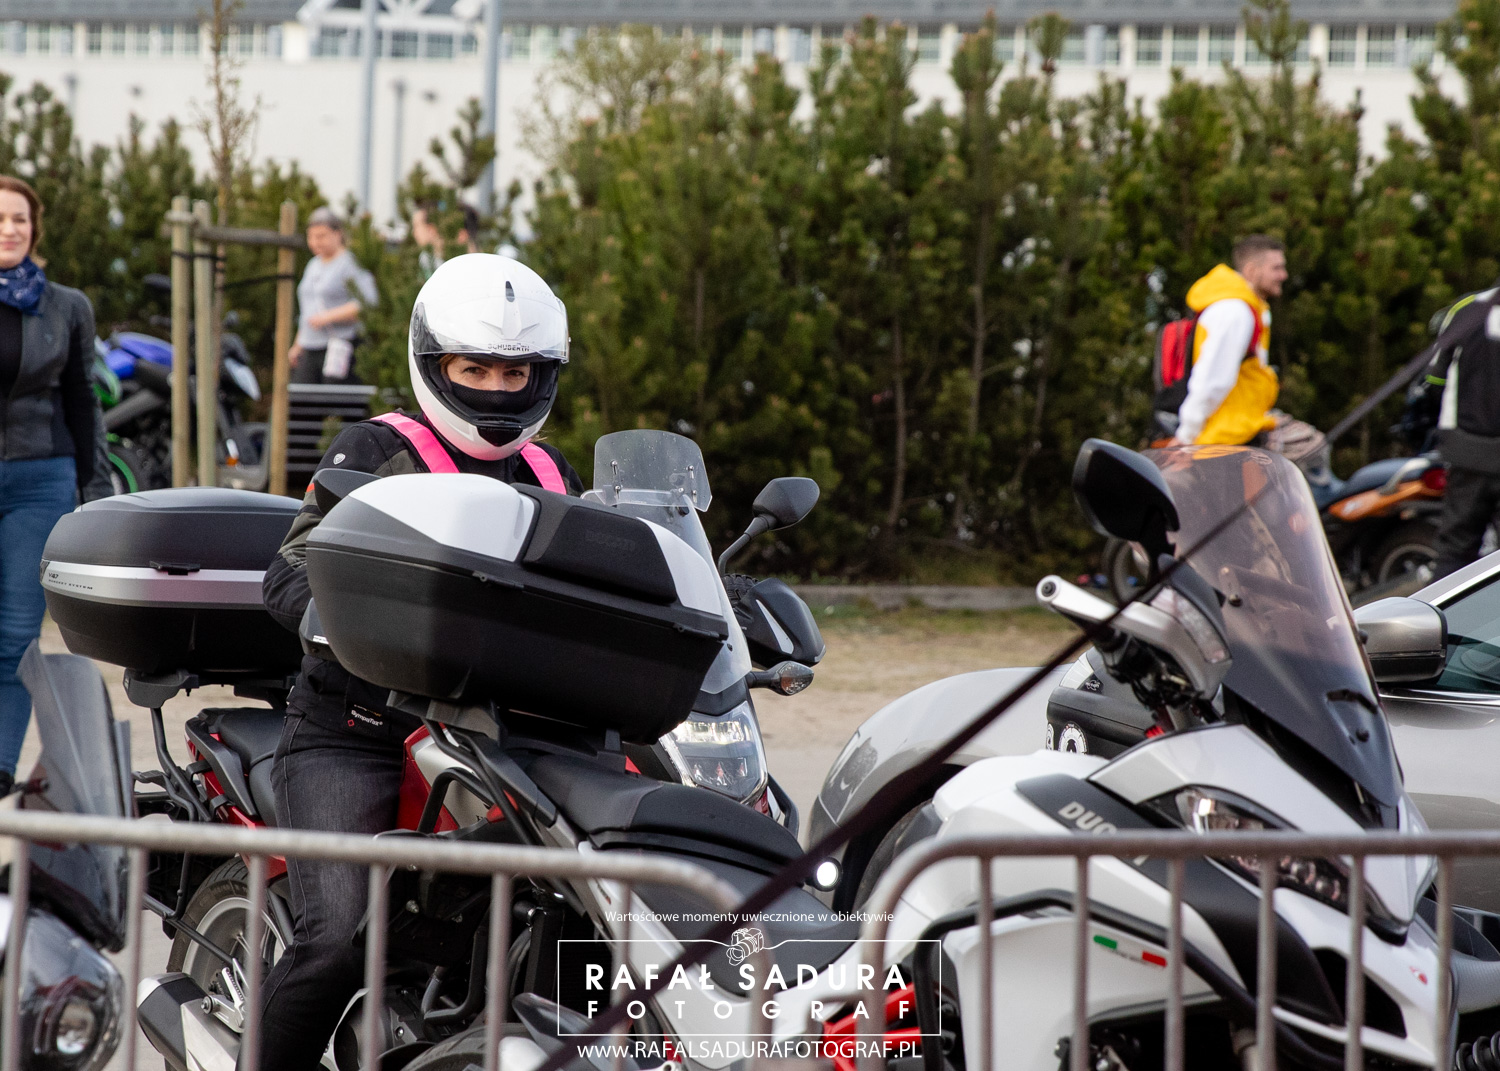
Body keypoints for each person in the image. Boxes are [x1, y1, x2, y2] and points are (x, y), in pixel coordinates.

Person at [253, 254, 581, 1070]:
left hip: (502, 738)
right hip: (358, 730)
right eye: (476, 369)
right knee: (340, 935)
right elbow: (290, 568)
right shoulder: (377, 449)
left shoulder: (553, 472)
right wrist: (343, 618)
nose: (497, 390)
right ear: (436, 364)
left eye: (515, 372)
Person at [0, 174, 102, 796]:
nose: (9, 229)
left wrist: (94, 491)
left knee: (15, 633)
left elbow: (83, 401)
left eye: (19, 218)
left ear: (34, 228)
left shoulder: (66, 306)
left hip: (41, 479)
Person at [1169, 235, 1288, 447]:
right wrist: (1186, 435)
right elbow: (1213, 379)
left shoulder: (1249, 307)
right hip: (1224, 439)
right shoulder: (1235, 311)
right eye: (1276, 268)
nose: (1283, 275)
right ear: (1251, 270)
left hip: (1238, 431)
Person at [1414, 285, 1500, 578]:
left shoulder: (1468, 309)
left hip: (1466, 451)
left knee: (1455, 551)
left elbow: (1434, 380)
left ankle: (1442, 607)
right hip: (1471, 452)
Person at [289, 206, 378, 385]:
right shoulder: (313, 265)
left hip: (339, 346)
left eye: (321, 236)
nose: (315, 242)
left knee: (334, 396)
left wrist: (328, 317)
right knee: (302, 397)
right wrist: (298, 344)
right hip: (310, 346)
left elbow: (368, 302)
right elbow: (308, 308)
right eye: (311, 237)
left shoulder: (350, 263)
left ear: (337, 234)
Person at [413, 201, 481, 280]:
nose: (414, 233)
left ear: (461, 234)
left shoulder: (473, 274)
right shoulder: (427, 261)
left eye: (416, 226)